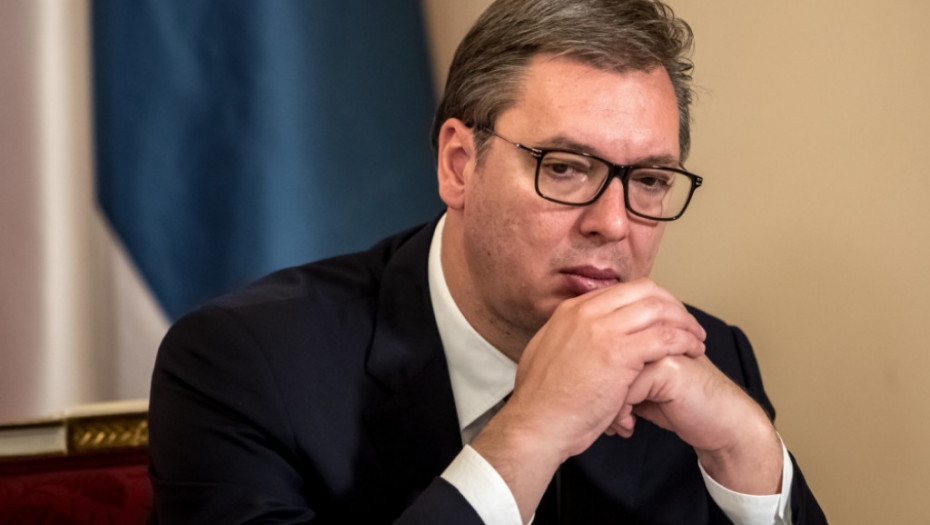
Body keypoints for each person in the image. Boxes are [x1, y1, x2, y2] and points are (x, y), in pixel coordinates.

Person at [149, 0, 827, 523]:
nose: (615, 223)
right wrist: (531, 431)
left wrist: (749, 451)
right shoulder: (246, 365)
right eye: (565, 167)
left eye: (649, 180)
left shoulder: (709, 359)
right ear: (458, 164)